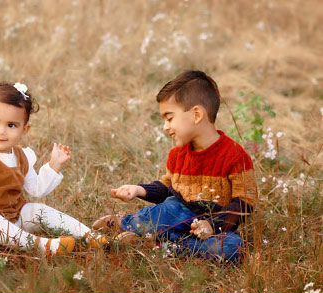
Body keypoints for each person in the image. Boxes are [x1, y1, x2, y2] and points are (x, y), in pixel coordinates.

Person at [92, 70, 258, 263]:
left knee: (233, 248)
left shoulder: (236, 156)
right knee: (166, 213)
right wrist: (139, 190)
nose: (165, 127)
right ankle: (124, 224)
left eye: (169, 118)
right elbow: (166, 188)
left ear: (196, 115)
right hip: (175, 212)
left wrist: (213, 225)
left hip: (208, 227)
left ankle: (159, 246)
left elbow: (245, 203)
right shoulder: (177, 155)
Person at [0, 81, 105, 256]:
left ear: (24, 130)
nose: (1, 131)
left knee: (38, 210)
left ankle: (91, 236)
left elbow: (36, 189)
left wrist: (54, 164)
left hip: (12, 218)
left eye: (11, 125)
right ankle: (43, 246)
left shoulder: (23, 157)